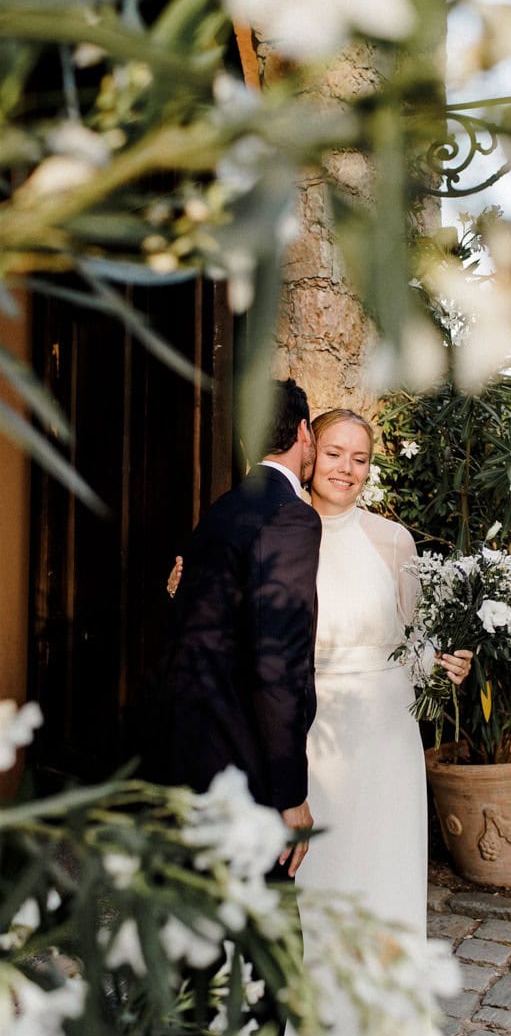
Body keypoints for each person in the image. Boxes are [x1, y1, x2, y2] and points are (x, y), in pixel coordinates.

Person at [168, 406, 472, 1036]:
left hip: (384, 742)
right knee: (308, 895)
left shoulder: (394, 542)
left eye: (360, 457)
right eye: (334, 451)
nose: (346, 467)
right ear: (309, 450)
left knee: (382, 889)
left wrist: (444, 663)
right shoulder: (277, 524)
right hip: (302, 738)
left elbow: (411, 643)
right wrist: (183, 591)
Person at [153, 377, 321, 881]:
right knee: (270, 935)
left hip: (195, 751)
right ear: (305, 433)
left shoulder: (222, 509)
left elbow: (203, 622)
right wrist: (290, 794)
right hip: (248, 760)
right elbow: (278, 663)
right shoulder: (291, 517)